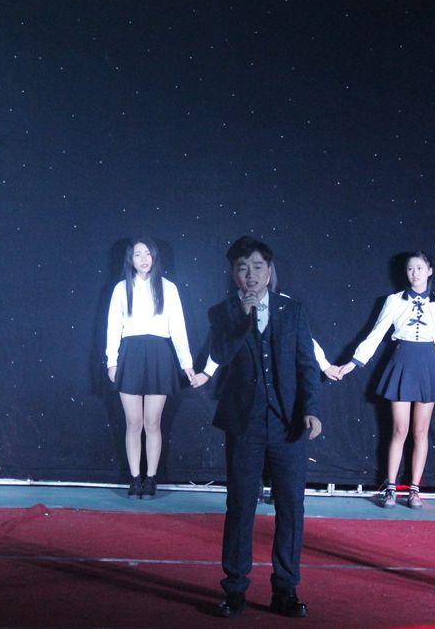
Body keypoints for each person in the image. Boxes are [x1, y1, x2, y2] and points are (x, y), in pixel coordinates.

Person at [208, 236, 322, 619]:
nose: (251, 275)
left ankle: (285, 589)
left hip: (288, 423)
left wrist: (311, 410)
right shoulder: (222, 312)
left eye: (257, 267)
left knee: (291, 507)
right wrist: (244, 317)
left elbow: (307, 365)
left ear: (270, 271)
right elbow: (221, 355)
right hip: (245, 424)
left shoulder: (293, 310)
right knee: (240, 506)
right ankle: (234, 590)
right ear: (233, 274)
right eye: (243, 268)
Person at [338, 251, 435, 508]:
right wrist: (354, 362)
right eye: (410, 269)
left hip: (428, 365)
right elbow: (376, 334)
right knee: (400, 430)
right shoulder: (394, 300)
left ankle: (414, 490)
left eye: (420, 268)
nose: (415, 273)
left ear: (429, 271)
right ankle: (390, 488)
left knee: (421, 431)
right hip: (402, 363)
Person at [106, 236, 195, 499]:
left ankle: (151, 478)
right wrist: (112, 361)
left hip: (159, 355)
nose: (143, 259)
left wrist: (187, 363)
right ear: (130, 259)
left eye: (147, 253)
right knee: (133, 422)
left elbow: (178, 328)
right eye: (138, 254)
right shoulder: (121, 289)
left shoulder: (169, 288)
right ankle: (135, 478)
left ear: (155, 257)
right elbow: (113, 326)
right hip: (130, 355)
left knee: (152, 422)